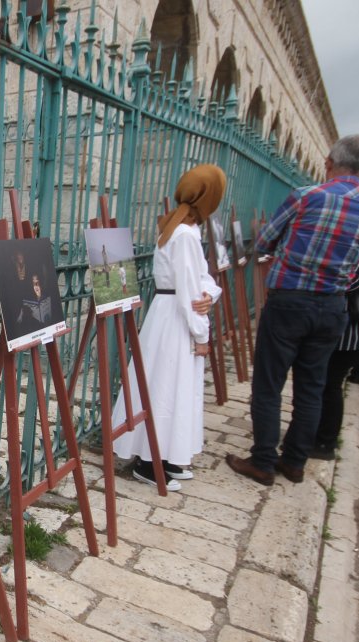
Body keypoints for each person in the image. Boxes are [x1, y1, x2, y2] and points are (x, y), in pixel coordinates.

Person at [226, 135, 359, 486]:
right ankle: (295, 461)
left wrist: (284, 245)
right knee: (312, 386)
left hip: (290, 299)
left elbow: (265, 240)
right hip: (332, 304)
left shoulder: (307, 196)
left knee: (269, 384)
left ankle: (263, 460)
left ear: (328, 162)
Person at [112, 164, 222, 490]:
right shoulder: (185, 233)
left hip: (168, 313)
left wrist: (210, 294)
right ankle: (150, 462)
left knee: (165, 385)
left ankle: (166, 456)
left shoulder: (177, 227)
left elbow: (201, 282)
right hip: (176, 317)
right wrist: (202, 333)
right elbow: (190, 288)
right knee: (166, 387)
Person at [310, 240, 359, 458]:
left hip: (351, 331)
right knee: (321, 384)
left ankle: (325, 443)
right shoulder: (340, 241)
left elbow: (352, 282)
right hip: (332, 326)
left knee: (331, 384)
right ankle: (315, 434)